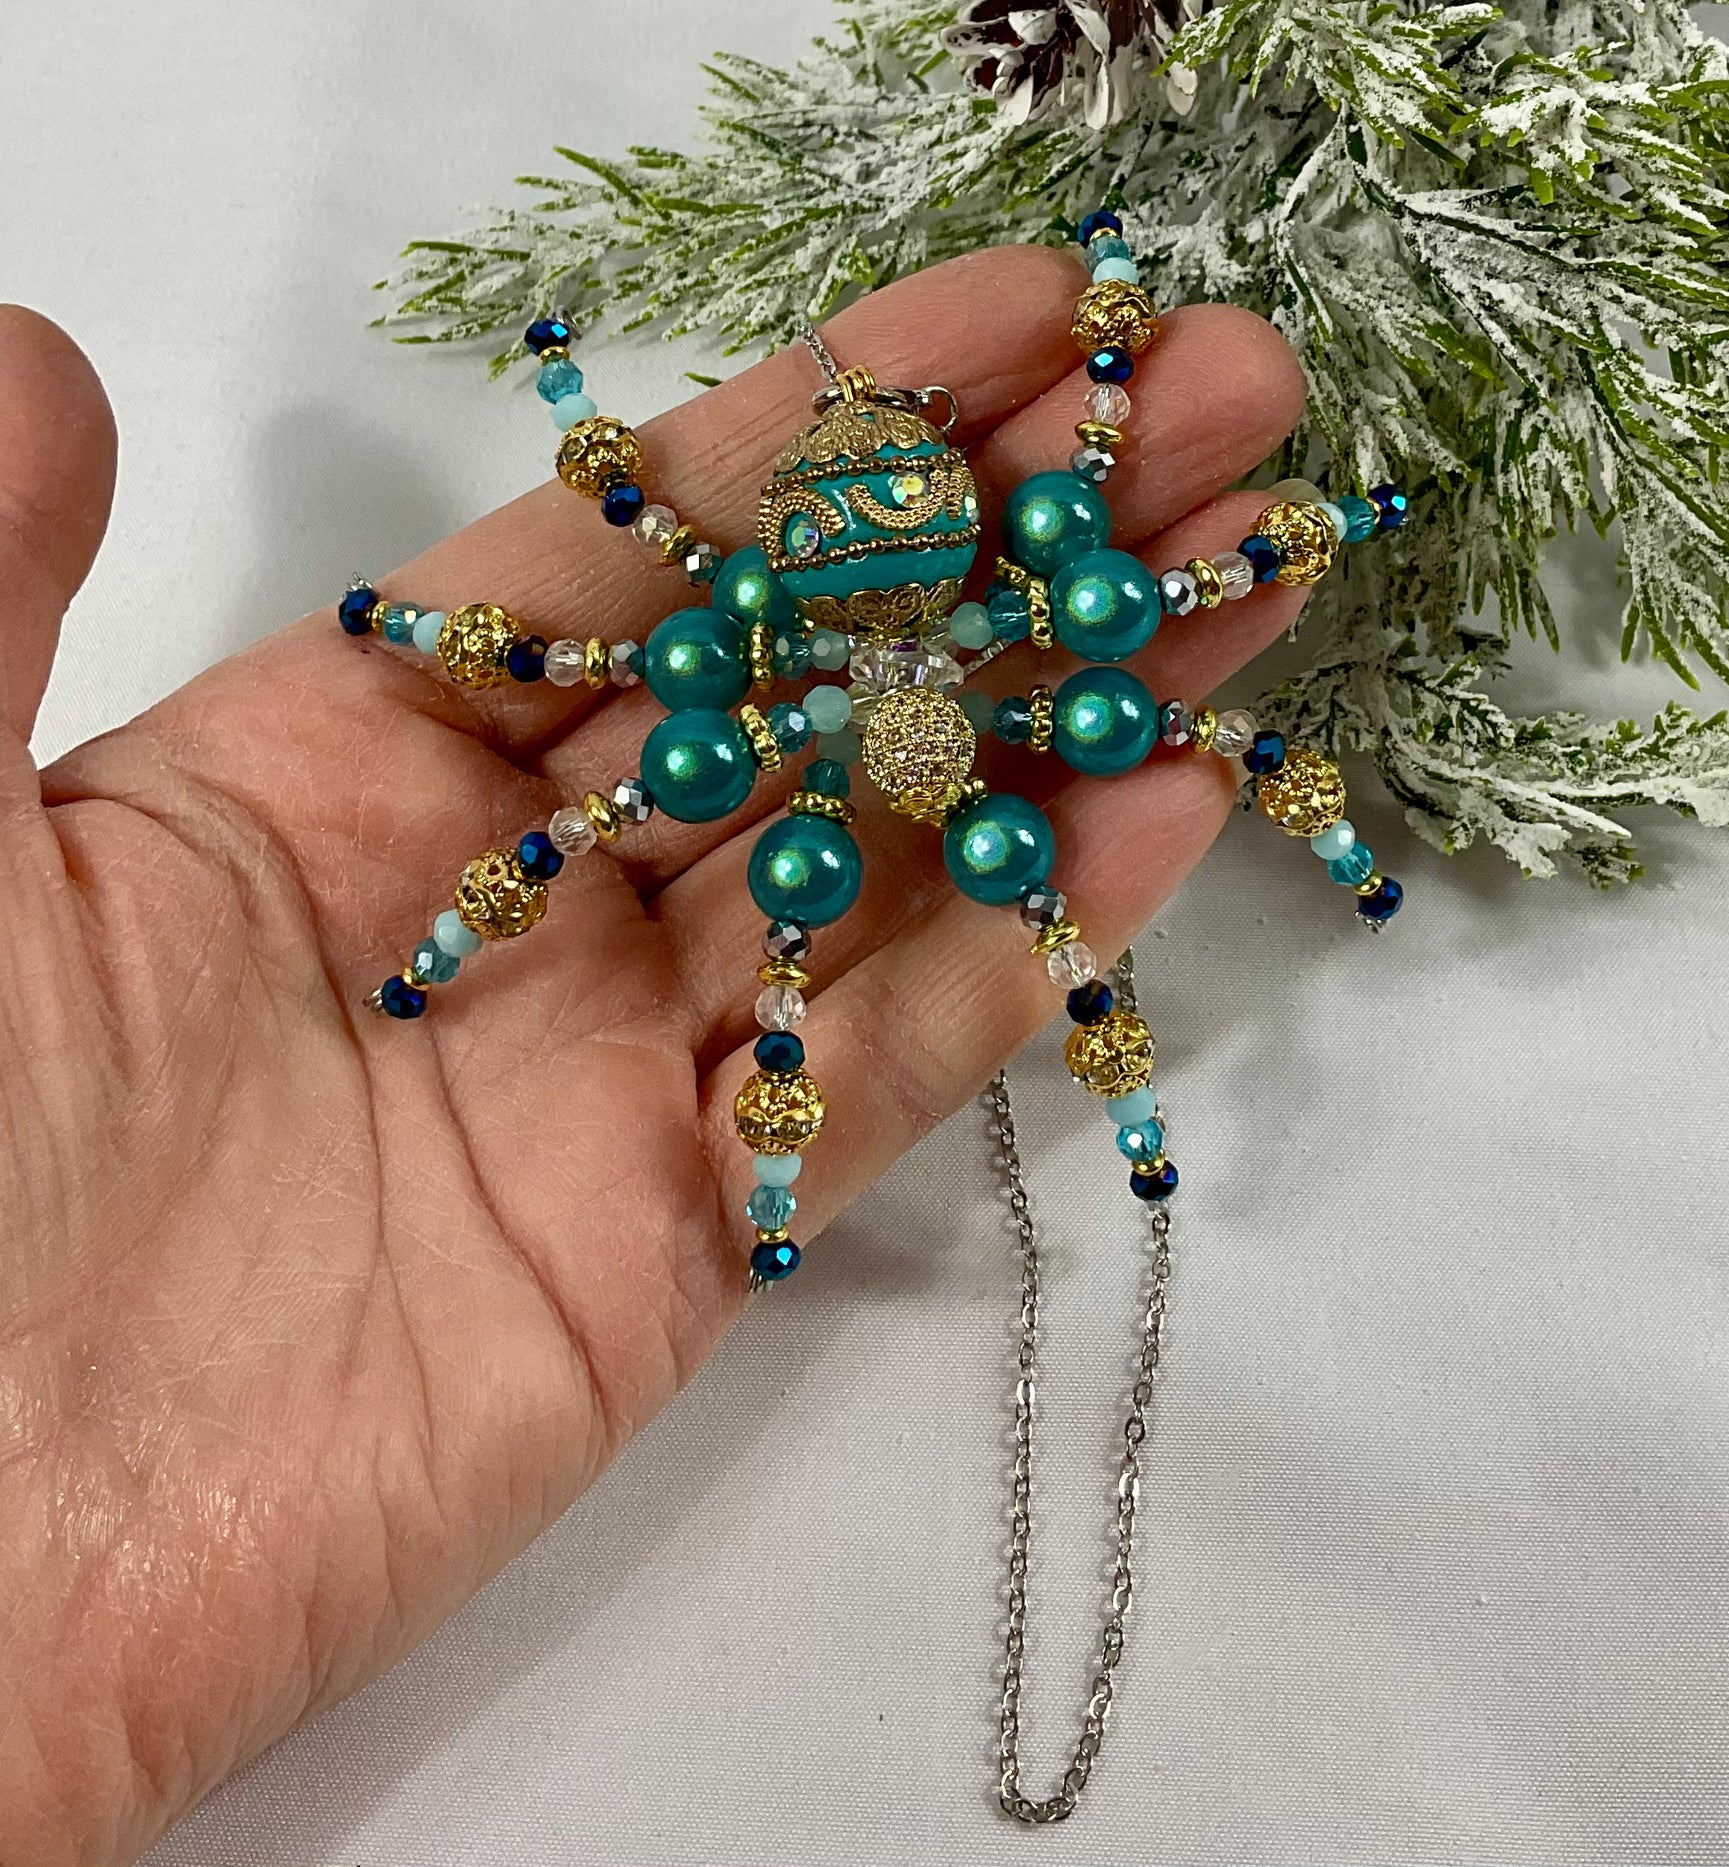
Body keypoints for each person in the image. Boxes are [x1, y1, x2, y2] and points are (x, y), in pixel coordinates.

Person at [0, 245, 1305, 1867]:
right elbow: (624, 606)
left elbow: (657, 563)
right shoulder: (867, 641)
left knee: (762, 895)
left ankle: (467, 978)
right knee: (803, 891)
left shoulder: (857, 650)